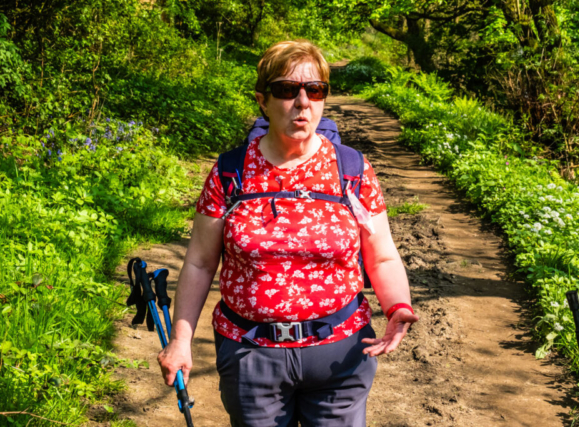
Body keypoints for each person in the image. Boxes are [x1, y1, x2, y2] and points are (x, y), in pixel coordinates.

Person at [158, 39, 419, 426]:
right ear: (262, 100)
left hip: (341, 353)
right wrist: (181, 339)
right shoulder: (231, 173)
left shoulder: (352, 171)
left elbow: (380, 255)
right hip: (250, 354)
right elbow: (198, 262)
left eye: (315, 90)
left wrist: (398, 306)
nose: (302, 102)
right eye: (286, 90)